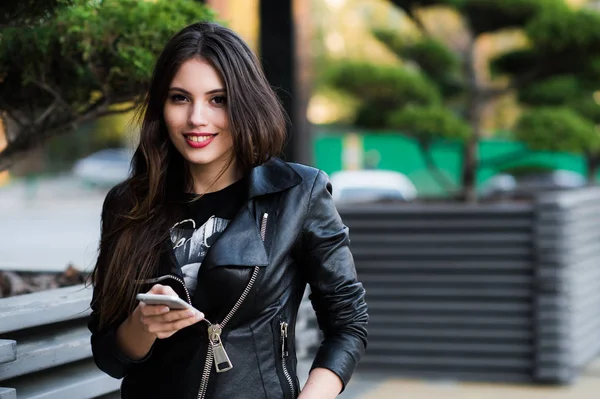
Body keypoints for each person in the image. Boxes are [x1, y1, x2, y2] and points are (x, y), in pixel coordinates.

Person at [88, 21, 368, 399]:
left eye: (217, 99)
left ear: (245, 103)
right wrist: (143, 325)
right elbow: (110, 357)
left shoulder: (298, 194)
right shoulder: (128, 205)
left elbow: (348, 325)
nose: (196, 119)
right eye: (180, 98)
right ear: (161, 106)